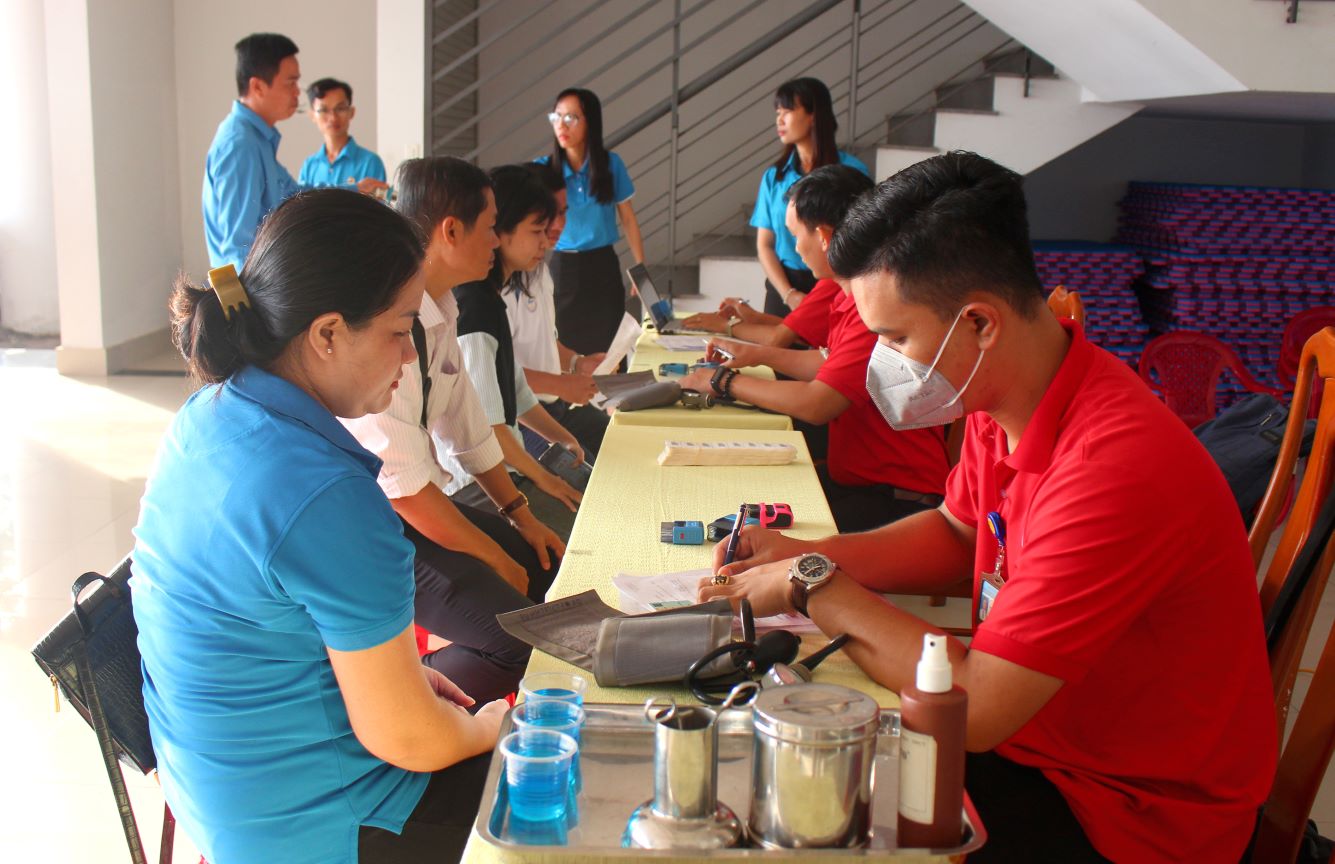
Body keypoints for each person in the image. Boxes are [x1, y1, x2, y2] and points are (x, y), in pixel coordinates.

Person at [699, 152, 1276, 863]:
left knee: (810, 820)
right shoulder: (1001, 396)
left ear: (979, 323)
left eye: (895, 338)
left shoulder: (1112, 467)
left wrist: (814, 583)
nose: (883, 363)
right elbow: (955, 531)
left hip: (1124, 815)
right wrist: (800, 555)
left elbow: (974, 706)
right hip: (1044, 741)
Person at [133, 190, 506, 864]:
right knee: (564, 798)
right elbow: (410, 742)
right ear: (328, 333)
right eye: (399, 331)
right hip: (317, 827)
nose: (407, 357)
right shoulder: (325, 492)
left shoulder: (205, 416)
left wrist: (409, 683)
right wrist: (485, 731)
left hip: (215, 794)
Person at [342, 157, 567, 703]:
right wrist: (494, 556)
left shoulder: (442, 307)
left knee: (543, 574)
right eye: (491, 226)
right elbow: (405, 492)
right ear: (450, 231)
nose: (495, 239)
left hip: (412, 507)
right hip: (374, 527)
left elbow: (469, 428)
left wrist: (521, 517)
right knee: (517, 640)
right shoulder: (387, 321)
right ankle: (408, 704)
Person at [682, 165, 947, 532]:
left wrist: (725, 382)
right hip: (862, 482)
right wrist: (749, 358)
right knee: (739, 503)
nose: (793, 249)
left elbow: (817, 402)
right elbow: (830, 366)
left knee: (753, 538)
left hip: (896, 499)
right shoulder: (852, 289)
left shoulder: (873, 303)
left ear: (823, 235)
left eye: (794, 236)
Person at [452, 165, 586, 542]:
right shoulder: (474, 306)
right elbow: (491, 430)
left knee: (590, 491)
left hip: (506, 467)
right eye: (536, 231)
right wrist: (545, 480)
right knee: (581, 531)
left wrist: (562, 437)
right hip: (478, 484)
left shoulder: (491, 299)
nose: (546, 242)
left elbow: (518, 392)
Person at [503, 161, 610, 462]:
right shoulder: (492, 289)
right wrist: (562, 385)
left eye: (563, 212)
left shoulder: (537, 271)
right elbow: (494, 375)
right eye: (547, 217)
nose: (559, 224)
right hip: (520, 419)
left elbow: (546, 341)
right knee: (581, 480)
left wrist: (578, 363)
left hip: (553, 407)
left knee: (620, 447)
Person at [539, 88, 644, 358]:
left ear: (590, 122)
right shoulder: (543, 170)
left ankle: (609, 401)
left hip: (603, 266)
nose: (561, 125)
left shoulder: (611, 164)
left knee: (610, 349)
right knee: (565, 348)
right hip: (564, 267)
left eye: (571, 118)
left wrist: (640, 268)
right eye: (557, 116)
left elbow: (628, 218)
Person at [751, 77, 868, 317]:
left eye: (788, 111)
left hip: (835, 285)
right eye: (778, 112)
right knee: (772, 351)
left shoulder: (851, 172)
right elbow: (765, 245)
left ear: (813, 115)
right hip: (785, 287)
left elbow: (862, 238)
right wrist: (789, 294)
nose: (779, 120)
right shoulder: (775, 176)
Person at [299, 77, 388, 190]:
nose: (333, 117)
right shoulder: (309, 165)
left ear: (352, 112)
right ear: (312, 115)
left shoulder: (370, 162)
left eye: (340, 108)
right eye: (324, 110)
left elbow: (376, 206)